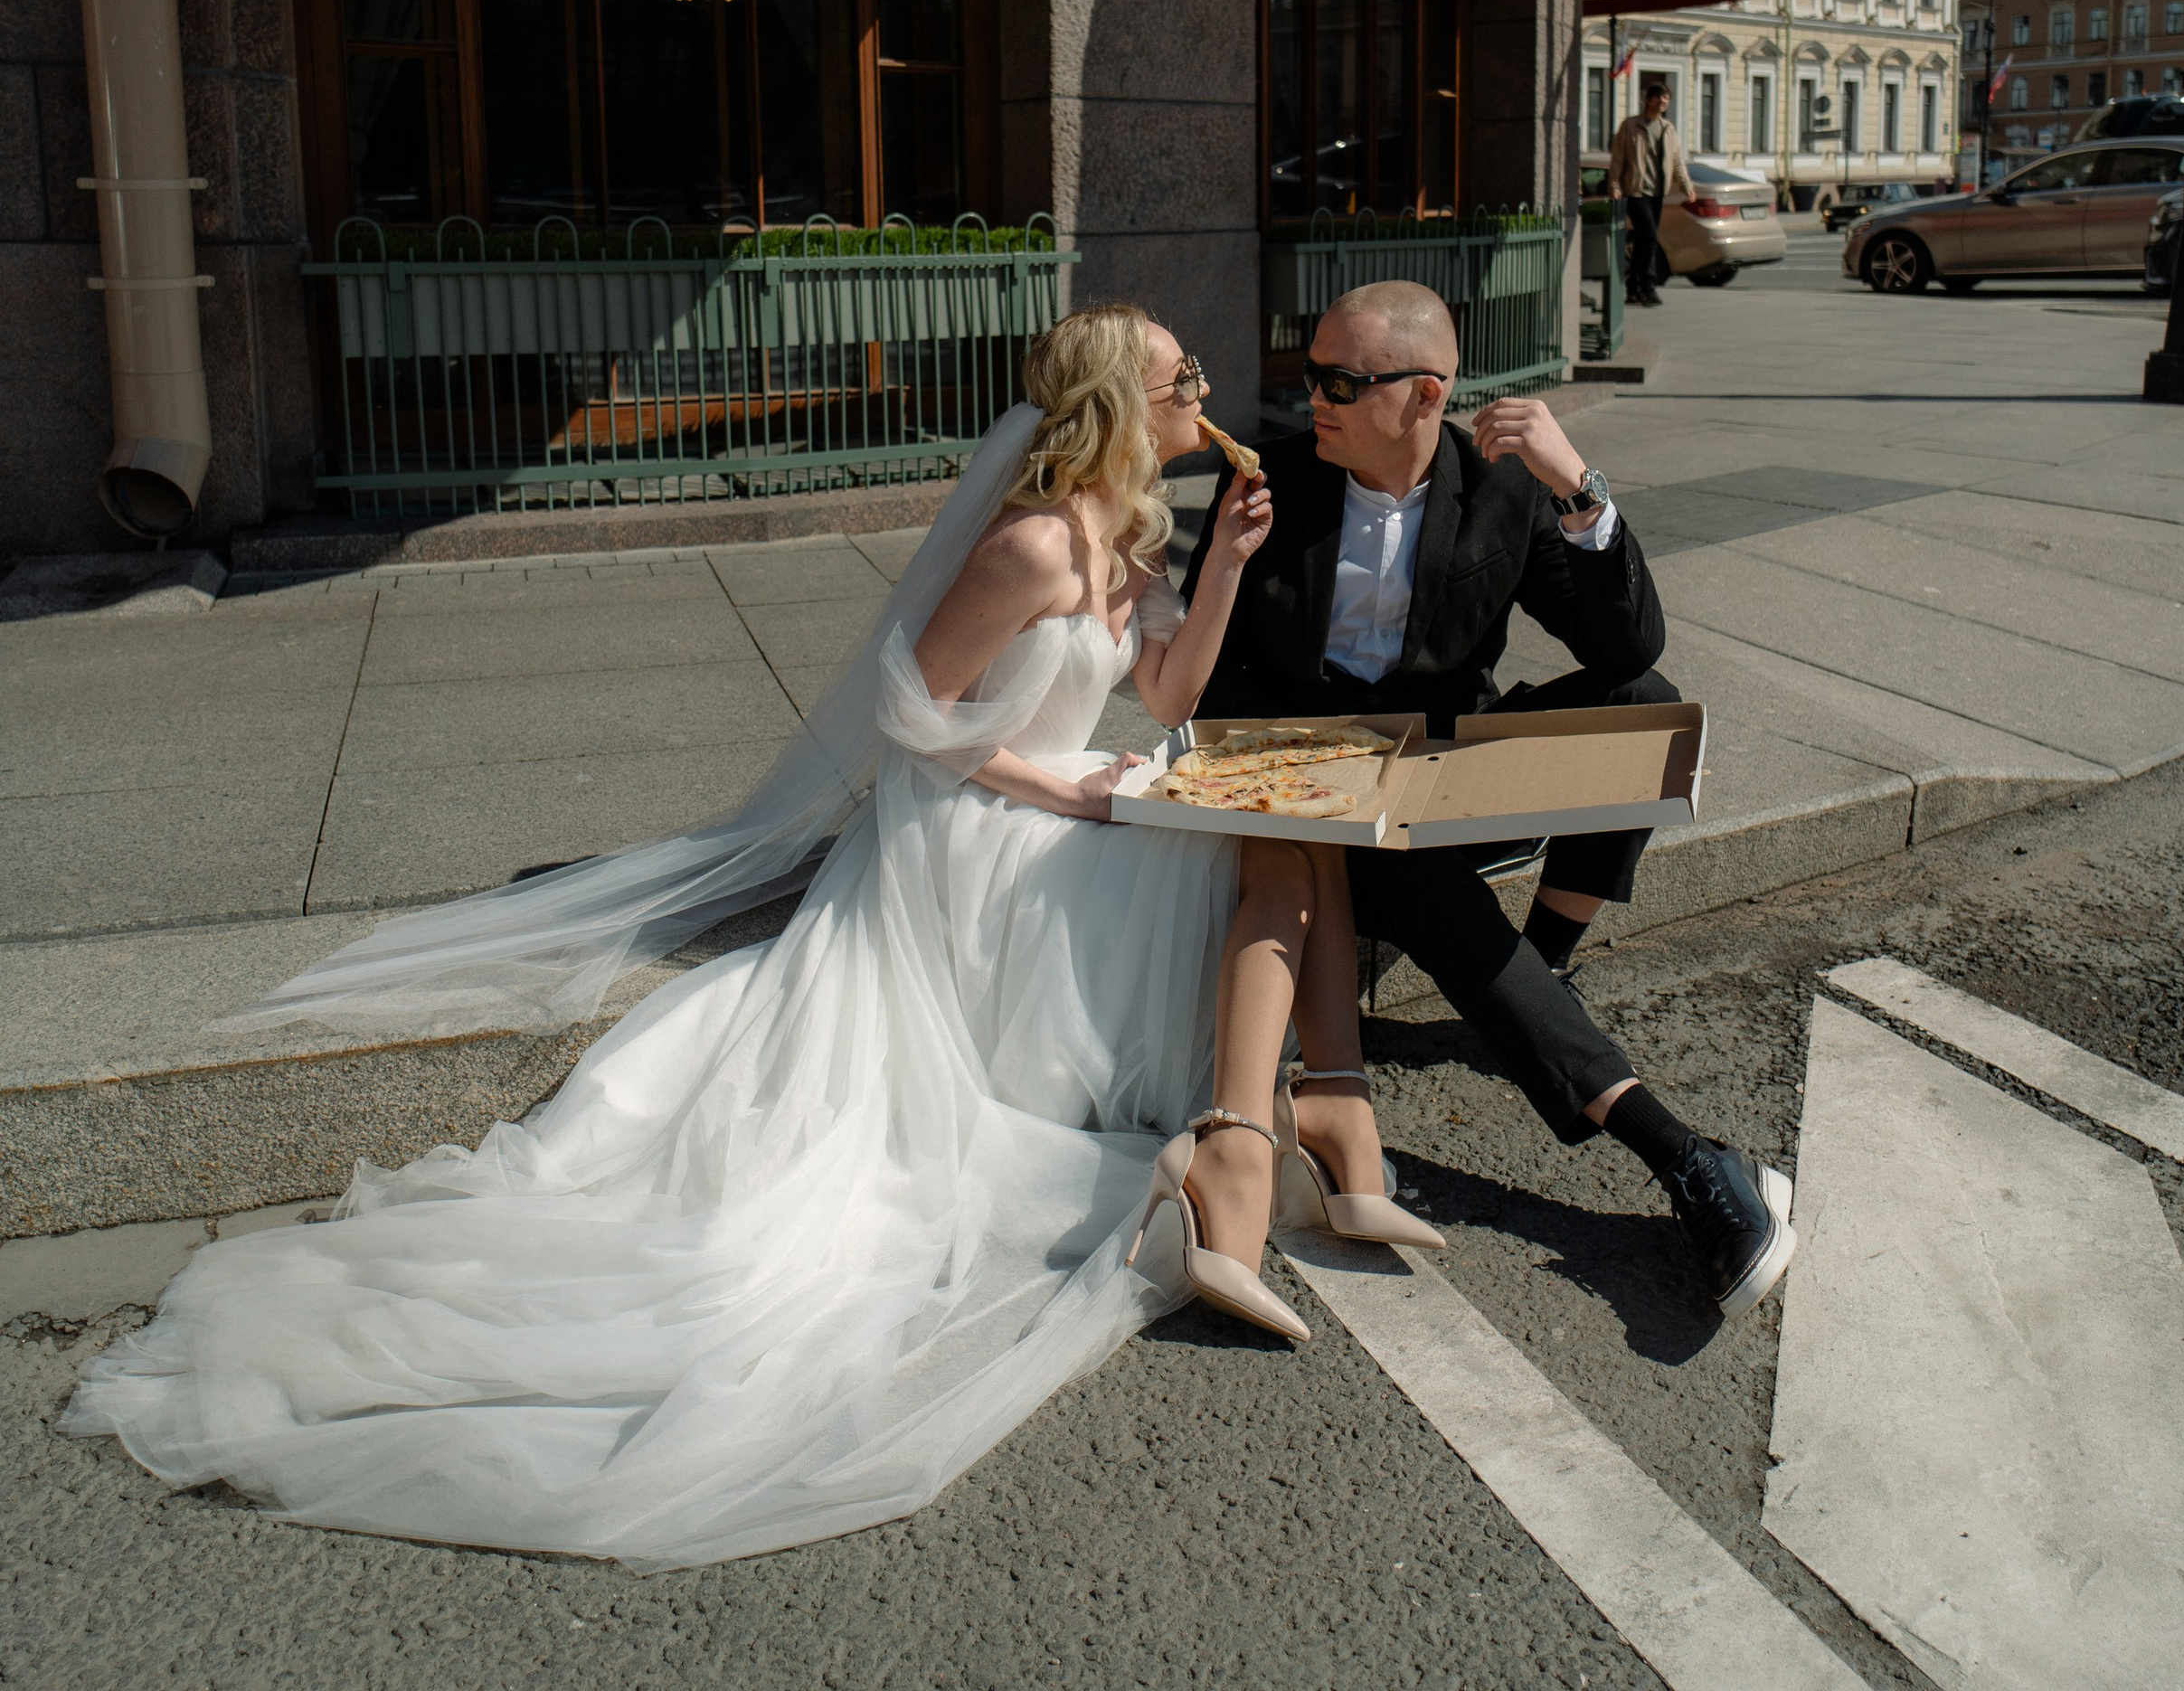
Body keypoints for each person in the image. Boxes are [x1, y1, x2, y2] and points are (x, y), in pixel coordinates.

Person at [64, 307, 1429, 1567]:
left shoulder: (1131, 534)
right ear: (1116, 405)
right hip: (967, 827)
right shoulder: (1024, 543)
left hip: (1070, 796)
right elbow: (917, 723)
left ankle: (1296, 1127)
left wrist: (1231, 569)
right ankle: (1281, 1128)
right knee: (1239, 865)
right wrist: (1070, 786)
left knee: (1269, 845)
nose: (1204, 390)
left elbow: (1167, 687)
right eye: (1179, 377)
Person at [1179, 280, 1795, 1318]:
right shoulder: (1272, 481)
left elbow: (1625, 647)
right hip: (1320, 800)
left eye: (1339, 380)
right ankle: (1678, 1151)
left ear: (1423, 396)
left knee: (1642, 708)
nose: (1311, 398)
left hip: (1450, 767)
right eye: (1307, 373)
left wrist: (1580, 490)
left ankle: (1547, 957)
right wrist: (1323, 771)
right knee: (1417, 881)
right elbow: (1210, 684)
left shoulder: (1502, 490)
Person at [1606, 82, 1691, 305]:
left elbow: (1677, 161)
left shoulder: (1667, 128)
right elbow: (1618, 159)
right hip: (1636, 191)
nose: (1663, 102)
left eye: (1666, 98)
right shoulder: (1630, 126)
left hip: (1657, 193)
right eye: (1660, 97)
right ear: (1648, 99)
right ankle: (1648, 286)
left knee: (1645, 241)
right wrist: (1614, 185)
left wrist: (1686, 185)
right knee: (1650, 237)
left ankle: (1633, 288)